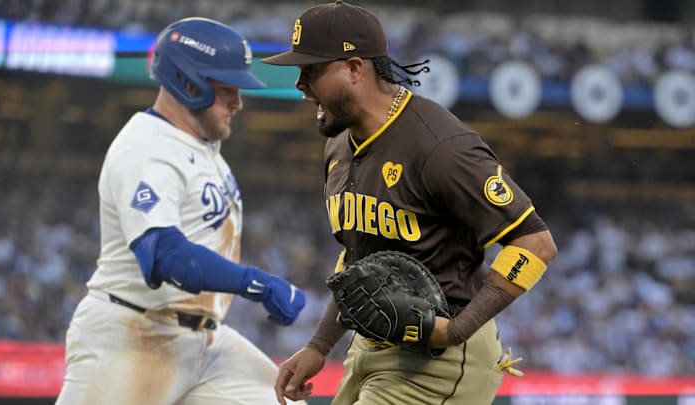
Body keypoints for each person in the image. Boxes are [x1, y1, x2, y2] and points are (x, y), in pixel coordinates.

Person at [261, 1, 558, 404]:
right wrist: (319, 345)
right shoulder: (338, 145)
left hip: (439, 362)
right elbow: (356, 261)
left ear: (353, 68)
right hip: (369, 351)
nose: (300, 84)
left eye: (310, 70)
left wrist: (457, 330)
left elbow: (534, 243)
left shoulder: (440, 147)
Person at [56, 17, 307, 405]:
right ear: (189, 85)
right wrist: (255, 282)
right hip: (132, 335)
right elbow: (165, 256)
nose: (238, 103)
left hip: (205, 341)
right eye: (227, 90)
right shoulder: (146, 146)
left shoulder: (203, 149)